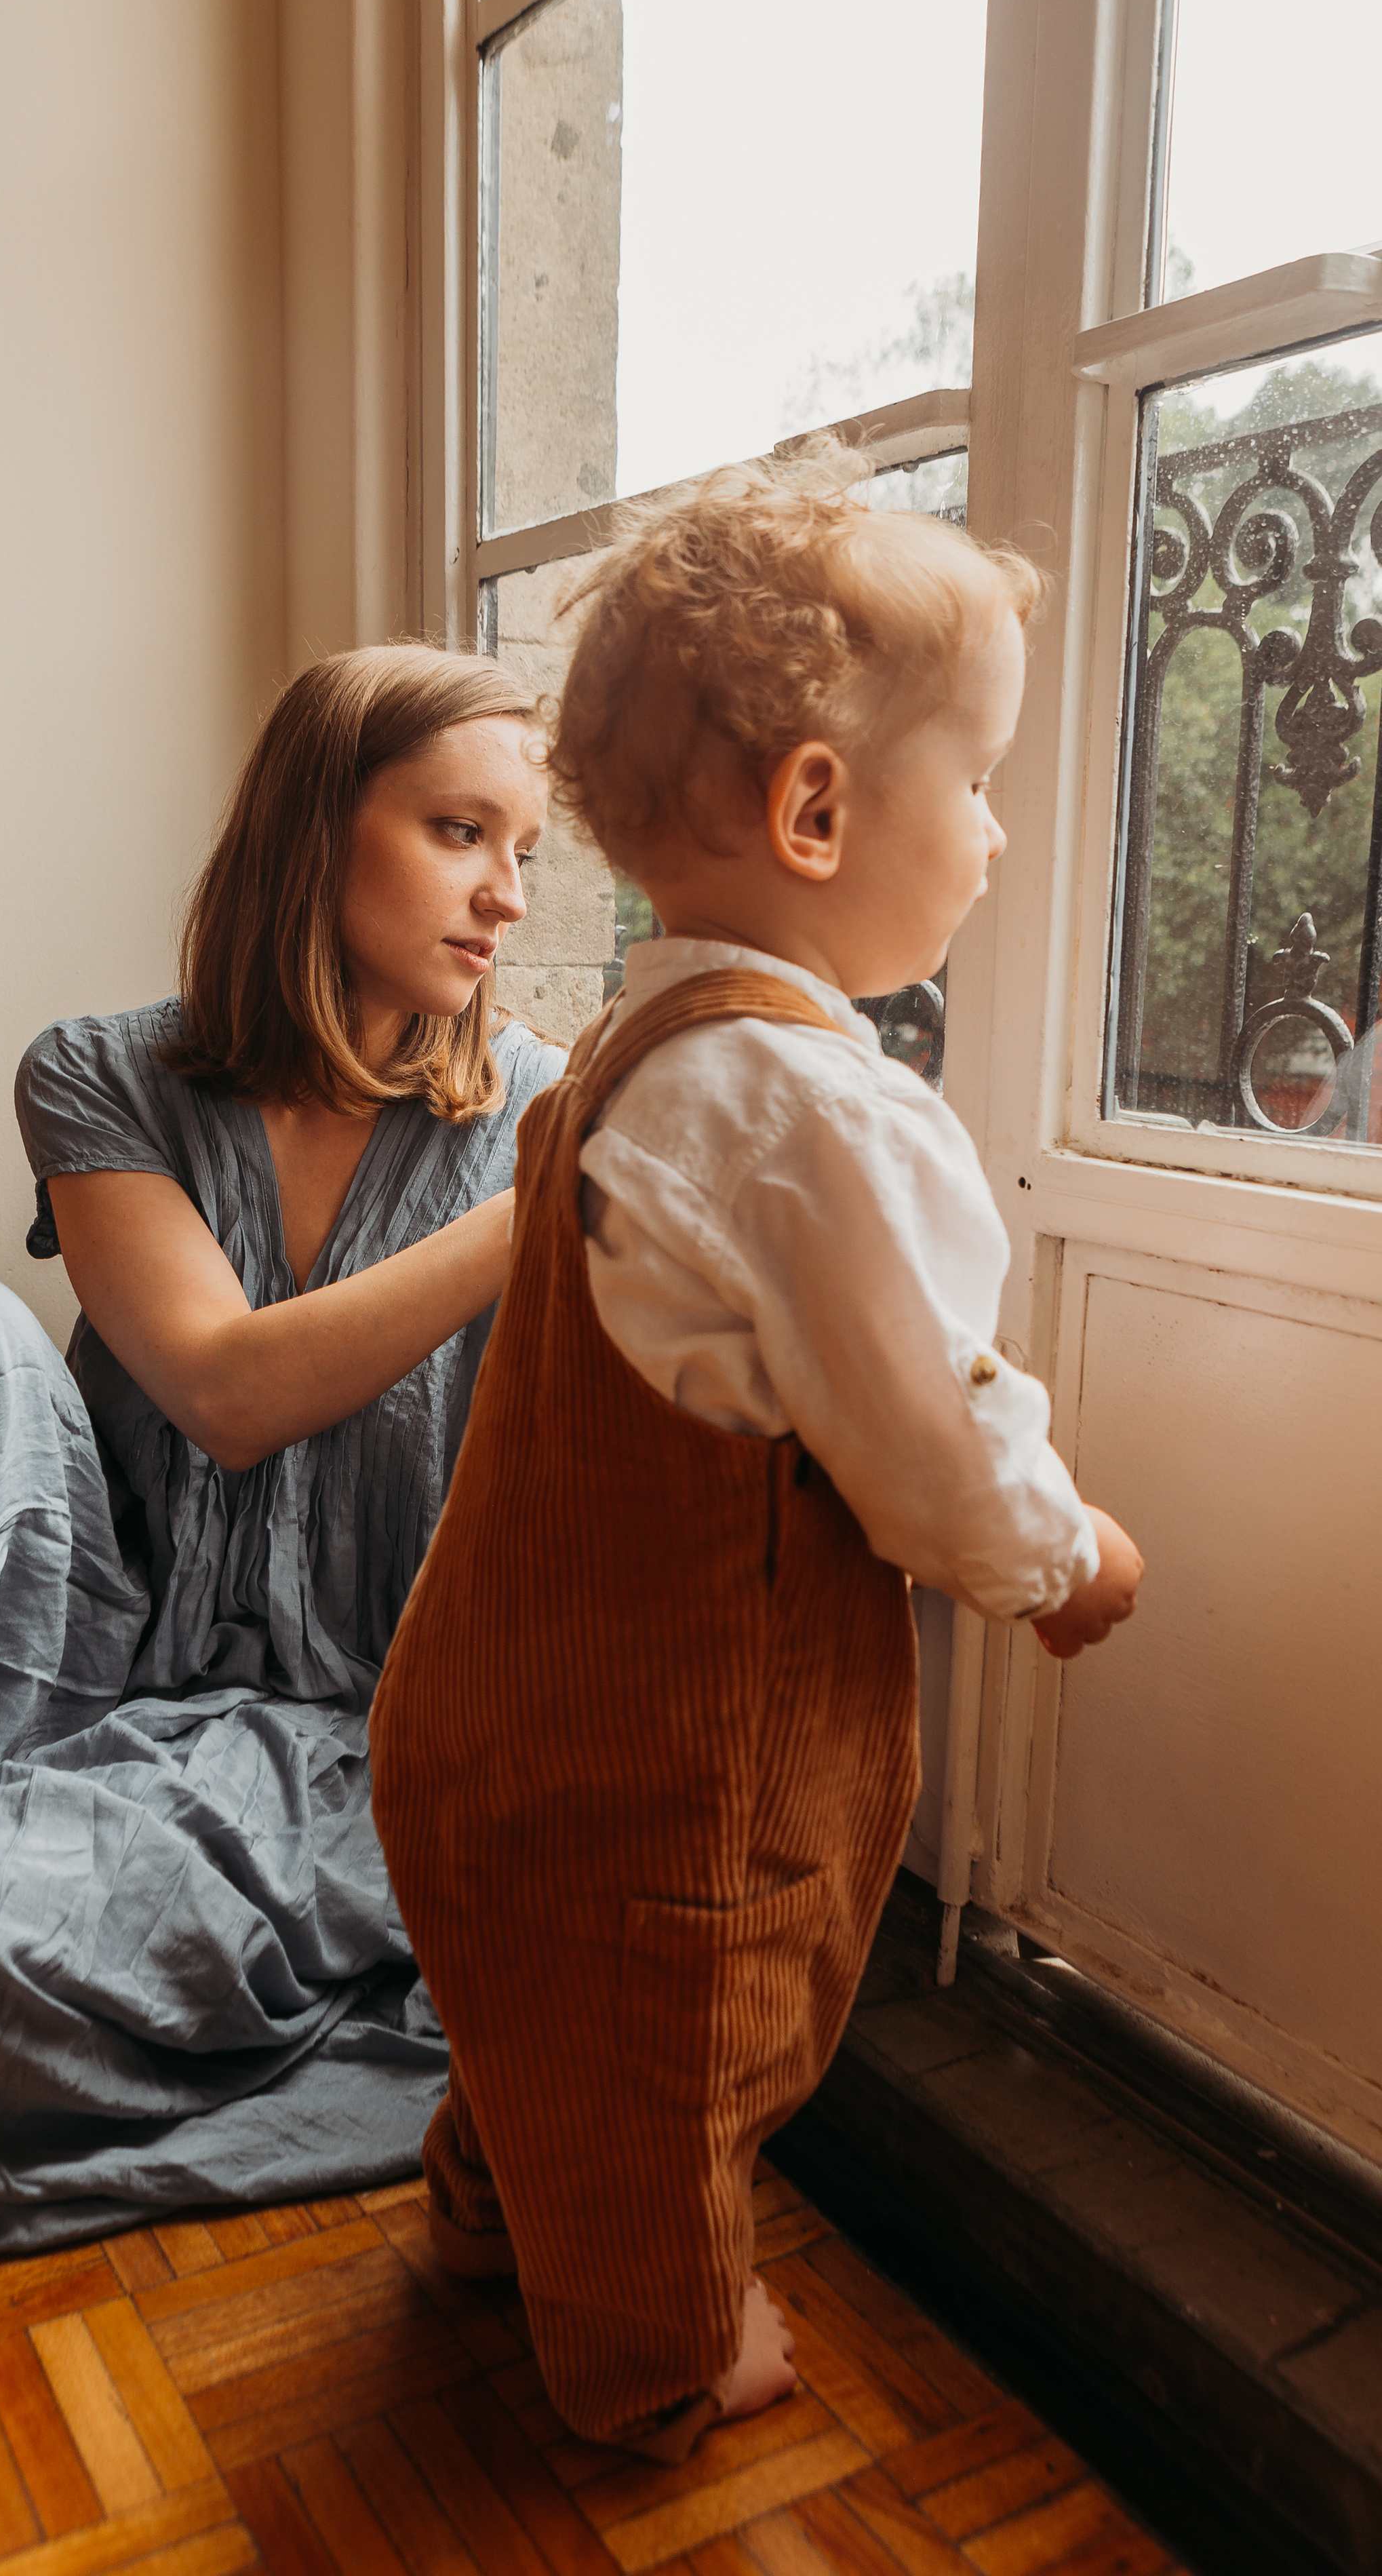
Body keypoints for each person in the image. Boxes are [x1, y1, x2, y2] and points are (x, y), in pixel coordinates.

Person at [370, 454, 1145, 2459]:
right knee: (666, 2063)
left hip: (477, 1719)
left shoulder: (617, 1070)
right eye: (975, 781)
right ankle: (652, 2355)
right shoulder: (818, 1114)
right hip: (657, 1786)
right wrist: (1061, 1564)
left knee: (535, 2019)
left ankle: (478, 2216)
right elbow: (929, 1443)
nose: (990, 833)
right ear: (816, 807)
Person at [0, 644, 560, 2251]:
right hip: (81, 1648)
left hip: (336, 1736)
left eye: (527, 853)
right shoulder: (102, 1074)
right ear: (312, 829)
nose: (507, 899)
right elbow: (223, 1386)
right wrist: (531, 1218)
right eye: (459, 832)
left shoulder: (543, 1112)